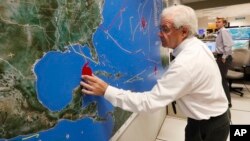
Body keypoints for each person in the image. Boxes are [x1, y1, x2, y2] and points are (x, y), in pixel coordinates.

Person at [81, 5, 230, 141]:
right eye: (160, 28)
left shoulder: (185, 64)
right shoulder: (198, 45)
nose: (159, 34)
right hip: (211, 118)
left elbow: (149, 103)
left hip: (208, 126)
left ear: (184, 31)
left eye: (165, 29)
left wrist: (107, 91)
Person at [215, 17, 234, 108]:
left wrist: (223, 57)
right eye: (216, 22)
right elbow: (221, 47)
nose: (217, 23)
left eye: (219, 22)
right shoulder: (219, 32)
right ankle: (223, 99)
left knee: (222, 80)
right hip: (220, 57)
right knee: (219, 79)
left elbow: (229, 45)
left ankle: (228, 102)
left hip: (224, 58)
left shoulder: (223, 31)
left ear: (224, 23)